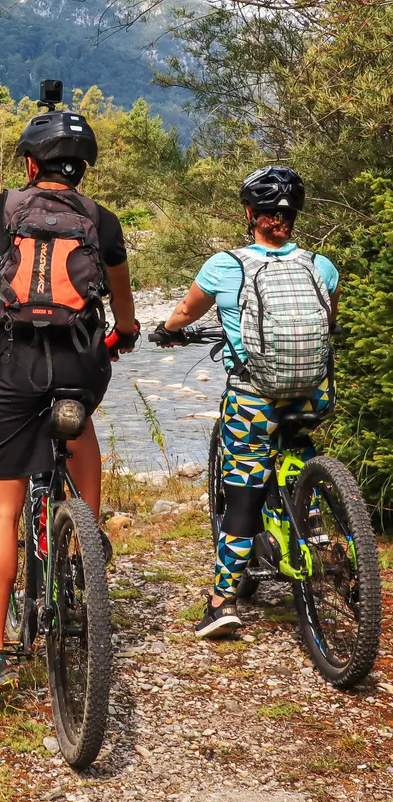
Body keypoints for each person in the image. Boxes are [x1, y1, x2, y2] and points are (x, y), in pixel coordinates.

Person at [0, 96, 137, 713]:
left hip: (18, 369)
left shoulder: (0, 209)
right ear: (82, 169)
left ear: (28, 162)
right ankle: (86, 541)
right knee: (80, 425)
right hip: (81, 365)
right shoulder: (103, 221)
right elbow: (123, 310)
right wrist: (121, 334)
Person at [154, 165, 339, 639]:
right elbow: (327, 322)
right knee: (297, 445)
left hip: (255, 396)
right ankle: (315, 526)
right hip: (313, 394)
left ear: (250, 215)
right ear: (293, 214)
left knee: (243, 491)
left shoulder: (226, 265)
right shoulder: (320, 264)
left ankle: (222, 602)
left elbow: (184, 313)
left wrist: (168, 332)